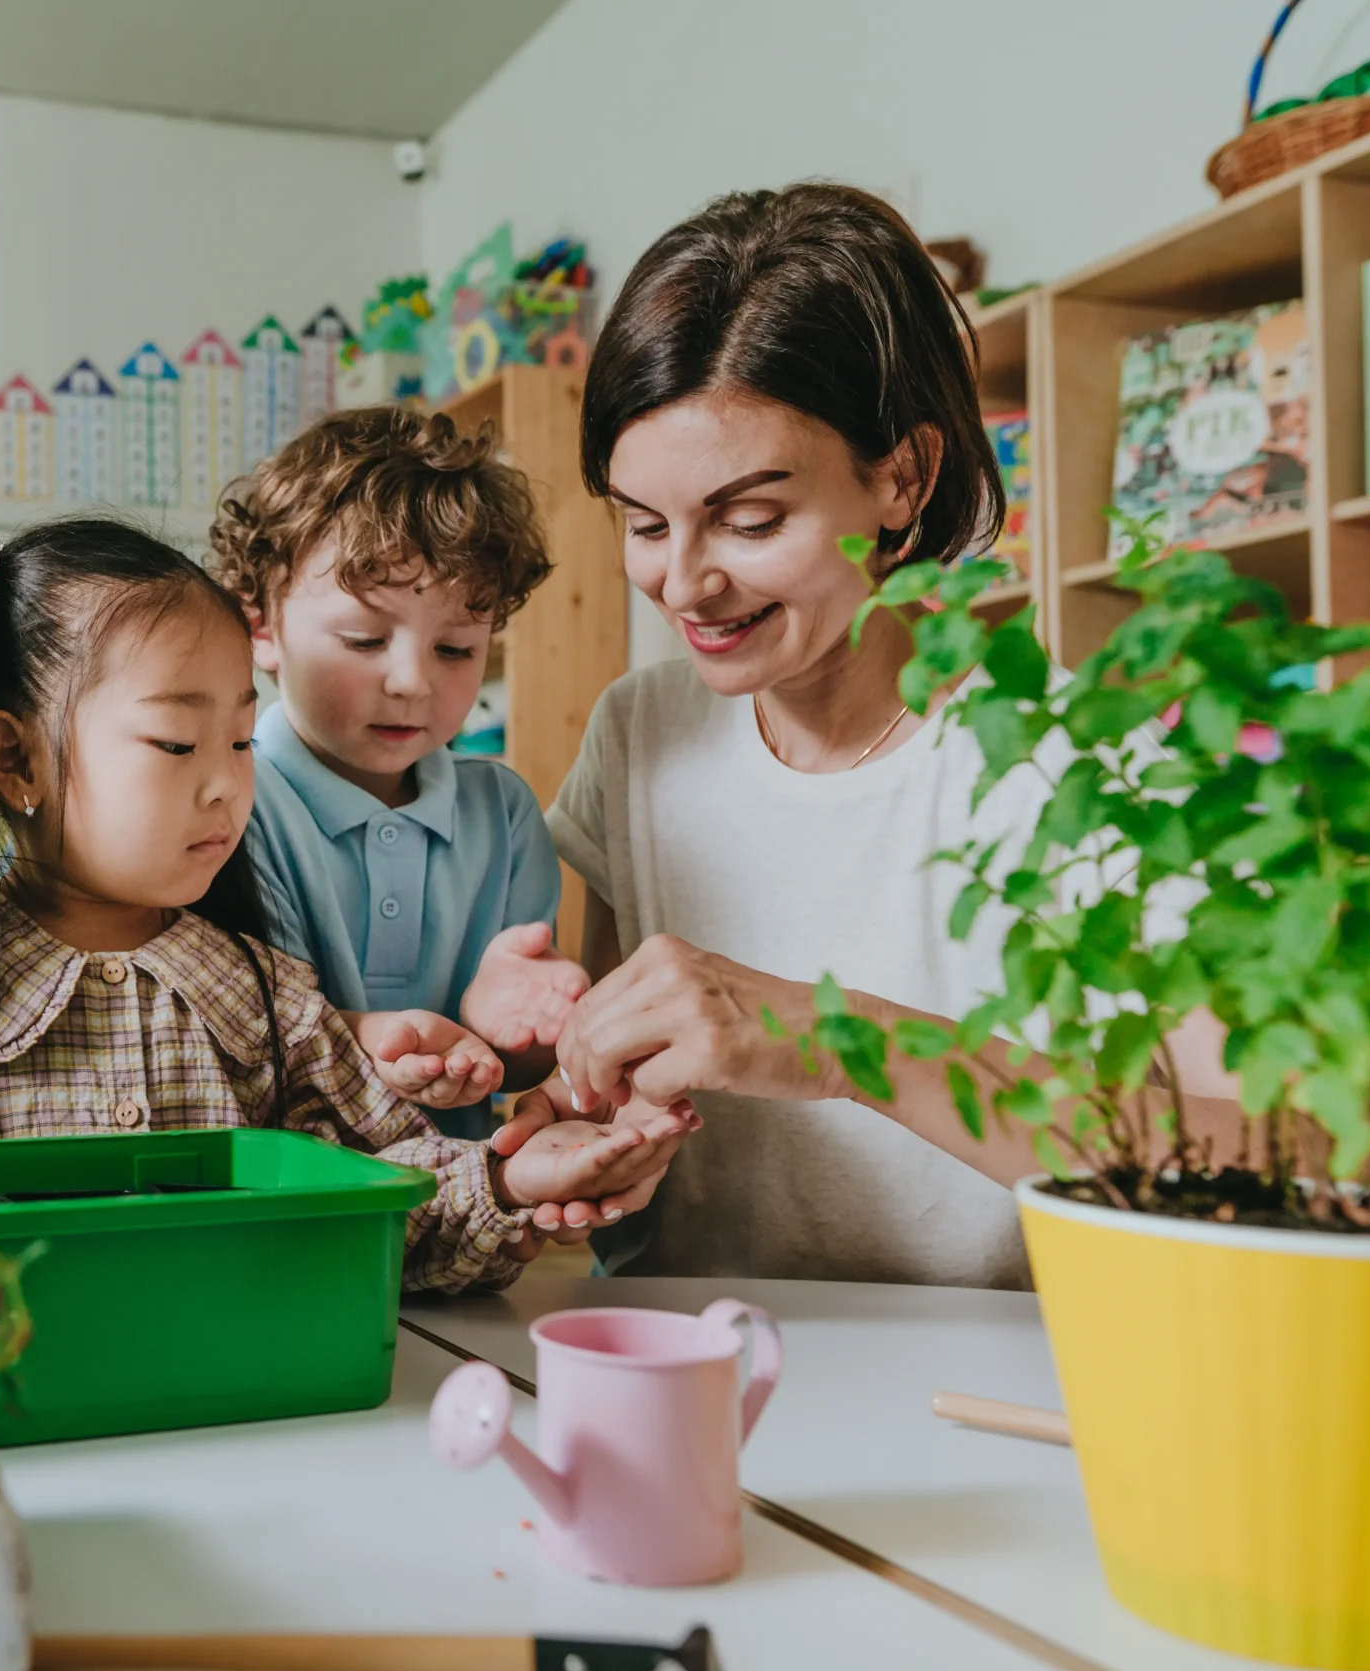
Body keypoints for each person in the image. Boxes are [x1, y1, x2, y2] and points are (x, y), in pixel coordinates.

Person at [463, 184, 1240, 1288]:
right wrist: (581, 1123)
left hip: (1003, 1397)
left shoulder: (1086, 764)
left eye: (749, 519)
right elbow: (617, 1078)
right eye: (643, 525)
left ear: (900, 476)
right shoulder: (642, 732)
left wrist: (850, 1045)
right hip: (694, 1368)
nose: (683, 582)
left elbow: (1271, 1162)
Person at [0, 518, 683, 1293]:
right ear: (15, 759)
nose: (230, 785)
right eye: (179, 746)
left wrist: (516, 1173)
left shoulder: (270, 998)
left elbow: (394, 1204)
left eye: (239, 740)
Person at [211, 408, 664, 1156]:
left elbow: (516, 1067)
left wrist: (509, 1024)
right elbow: (255, 1041)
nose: (412, 681)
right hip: (294, 1207)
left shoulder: (505, 813)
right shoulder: (234, 800)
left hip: (459, 1205)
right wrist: (384, 1039)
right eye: (364, 639)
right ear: (262, 624)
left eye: (456, 648)